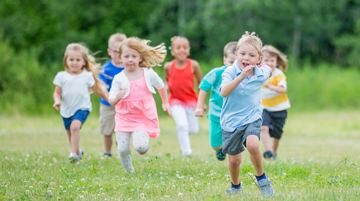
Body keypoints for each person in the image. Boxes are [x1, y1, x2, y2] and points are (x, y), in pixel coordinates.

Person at [220, 32, 274, 196]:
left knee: (252, 144)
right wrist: (241, 76)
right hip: (231, 122)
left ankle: (261, 178)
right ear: (236, 55)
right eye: (242, 54)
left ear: (258, 59)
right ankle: (235, 186)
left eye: (251, 55)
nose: (246, 58)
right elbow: (223, 92)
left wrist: (266, 70)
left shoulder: (260, 72)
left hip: (252, 117)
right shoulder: (229, 72)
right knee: (234, 161)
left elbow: (269, 71)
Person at [108, 37, 172, 173]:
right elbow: (111, 99)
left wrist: (165, 102)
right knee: (122, 148)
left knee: (140, 147)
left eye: (133, 56)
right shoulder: (118, 78)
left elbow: (161, 86)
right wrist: (116, 99)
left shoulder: (147, 73)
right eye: (126, 56)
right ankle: (129, 171)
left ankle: (143, 146)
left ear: (140, 58)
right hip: (123, 116)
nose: (130, 59)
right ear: (120, 58)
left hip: (142, 116)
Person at [53, 43, 109, 163]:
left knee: (75, 127)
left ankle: (73, 154)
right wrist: (57, 101)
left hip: (82, 108)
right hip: (66, 110)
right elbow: (57, 93)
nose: (74, 62)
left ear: (84, 62)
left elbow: (98, 90)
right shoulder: (61, 76)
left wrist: (111, 100)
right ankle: (78, 152)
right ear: (66, 61)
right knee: (71, 134)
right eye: (71, 59)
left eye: (78, 60)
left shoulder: (87, 76)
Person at [195, 41, 237, 161]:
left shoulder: (243, 76)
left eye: (237, 62)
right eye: (230, 62)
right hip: (216, 113)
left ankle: (231, 148)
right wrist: (199, 106)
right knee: (215, 145)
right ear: (224, 60)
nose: (233, 66)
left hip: (234, 114)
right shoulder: (217, 73)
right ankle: (220, 148)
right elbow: (204, 87)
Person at [164, 36, 204, 156]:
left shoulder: (194, 65)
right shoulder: (168, 66)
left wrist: (201, 104)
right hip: (175, 100)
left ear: (189, 50)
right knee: (182, 125)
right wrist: (166, 86)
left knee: (193, 129)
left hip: (192, 101)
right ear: (172, 51)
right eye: (178, 48)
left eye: (185, 47)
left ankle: (184, 131)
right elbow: (166, 80)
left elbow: (201, 84)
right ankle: (187, 153)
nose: (182, 50)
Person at [99, 33, 127, 157]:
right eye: (116, 51)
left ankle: (123, 150)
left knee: (124, 130)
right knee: (108, 130)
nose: (119, 55)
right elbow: (102, 88)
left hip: (125, 105)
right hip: (108, 105)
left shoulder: (129, 67)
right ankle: (108, 152)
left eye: (122, 51)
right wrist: (111, 99)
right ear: (109, 52)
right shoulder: (106, 69)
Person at [260, 45, 290, 160]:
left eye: (272, 60)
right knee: (264, 127)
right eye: (266, 60)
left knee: (277, 134)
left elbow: (283, 89)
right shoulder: (259, 74)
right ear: (260, 61)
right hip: (265, 107)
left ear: (277, 62)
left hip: (280, 109)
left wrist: (269, 85)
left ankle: (274, 152)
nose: (269, 63)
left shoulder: (278, 74)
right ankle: (268, 151)